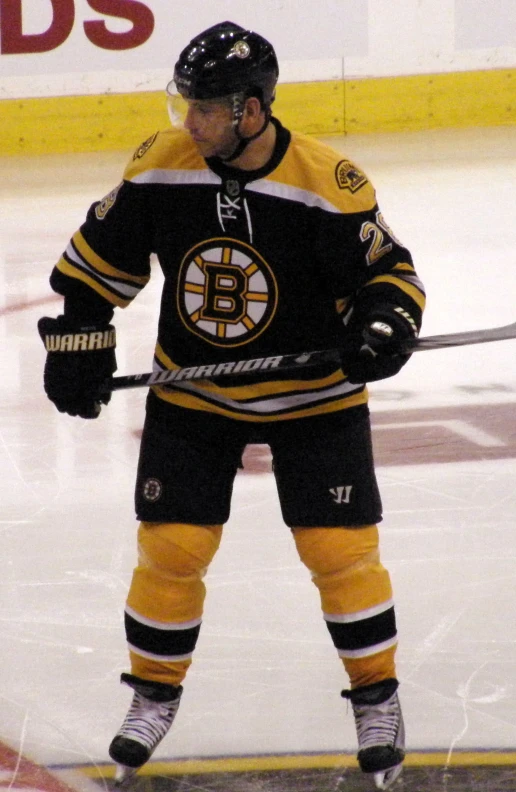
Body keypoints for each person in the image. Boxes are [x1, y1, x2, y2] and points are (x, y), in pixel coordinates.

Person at [38, 21, 425, 790]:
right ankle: (152, 696)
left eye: (208, 109)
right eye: (188, 104)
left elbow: (392, 278)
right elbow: (97, 265)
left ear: (252, 110)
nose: (192, 121)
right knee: (172, 548)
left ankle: (376, 698)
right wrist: (80, 336)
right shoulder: (161, 165)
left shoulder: (327, 182)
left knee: (339, 553)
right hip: (195, 390)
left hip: (315, 400)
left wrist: (382, 325)